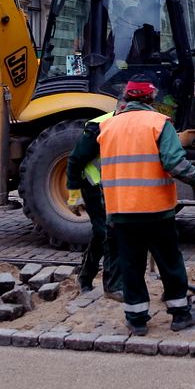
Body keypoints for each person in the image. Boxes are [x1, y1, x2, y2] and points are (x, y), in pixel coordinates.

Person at [95, 78, 195, 336]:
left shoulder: (107, 127)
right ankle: (180, 315)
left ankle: (137, 319)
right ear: (150, 99)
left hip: (121, 211)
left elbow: (105, 170)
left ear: (127, 99)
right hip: (155, 210)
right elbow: (174, 163)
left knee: (131, 265)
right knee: (170, 263)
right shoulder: (158, 123)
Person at [66, 110, 123, 300]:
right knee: (107, 232)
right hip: (94, 186)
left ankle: (85, 276)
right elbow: (75, 159)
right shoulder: (99, 126)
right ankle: (112, 286)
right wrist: (74, 194)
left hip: (111, 186)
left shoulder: (127, 122)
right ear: (121, 108)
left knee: (102, 233)